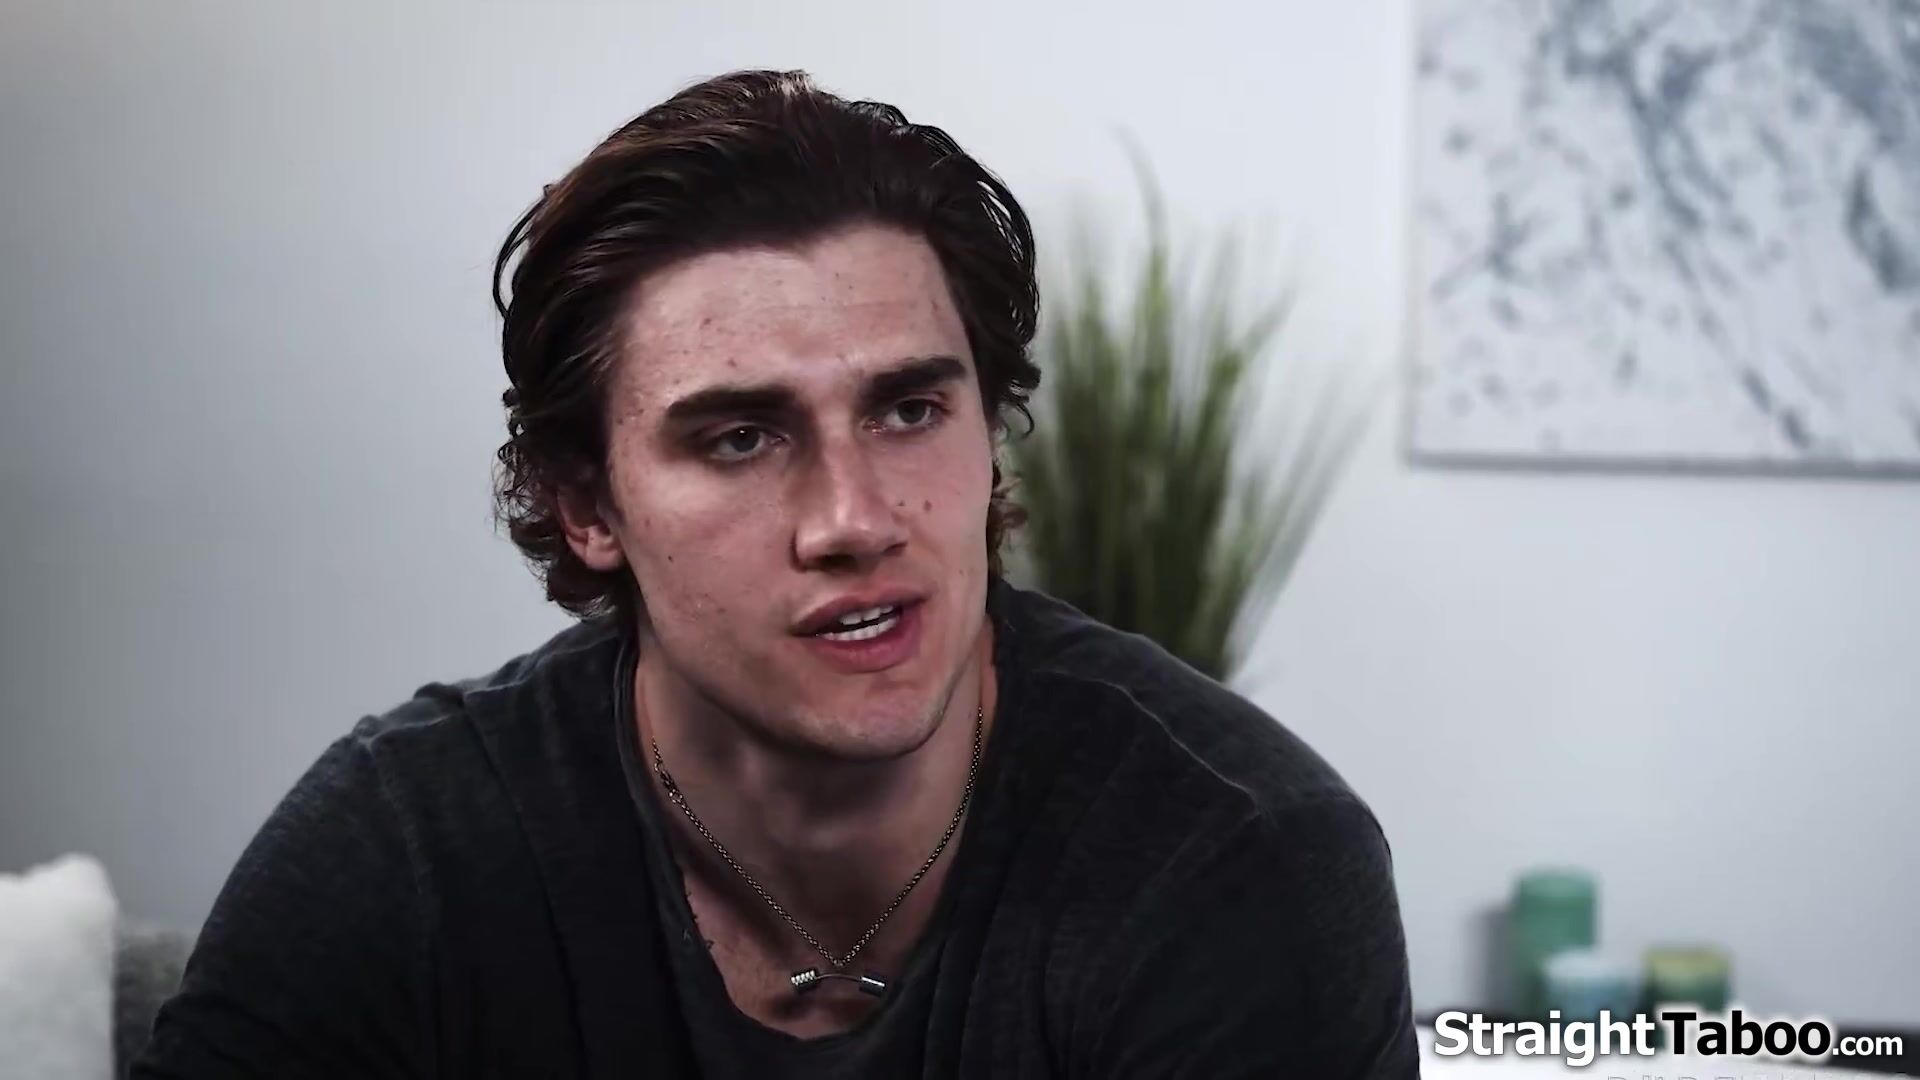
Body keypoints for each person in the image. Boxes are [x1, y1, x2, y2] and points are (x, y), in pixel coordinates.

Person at [134, 69, 1418, 1078]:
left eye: (909, 409)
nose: (853, 520)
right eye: (741, 438)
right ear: (587, 505)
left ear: (990, 429)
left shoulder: (1235, 859)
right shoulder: (403, 856)